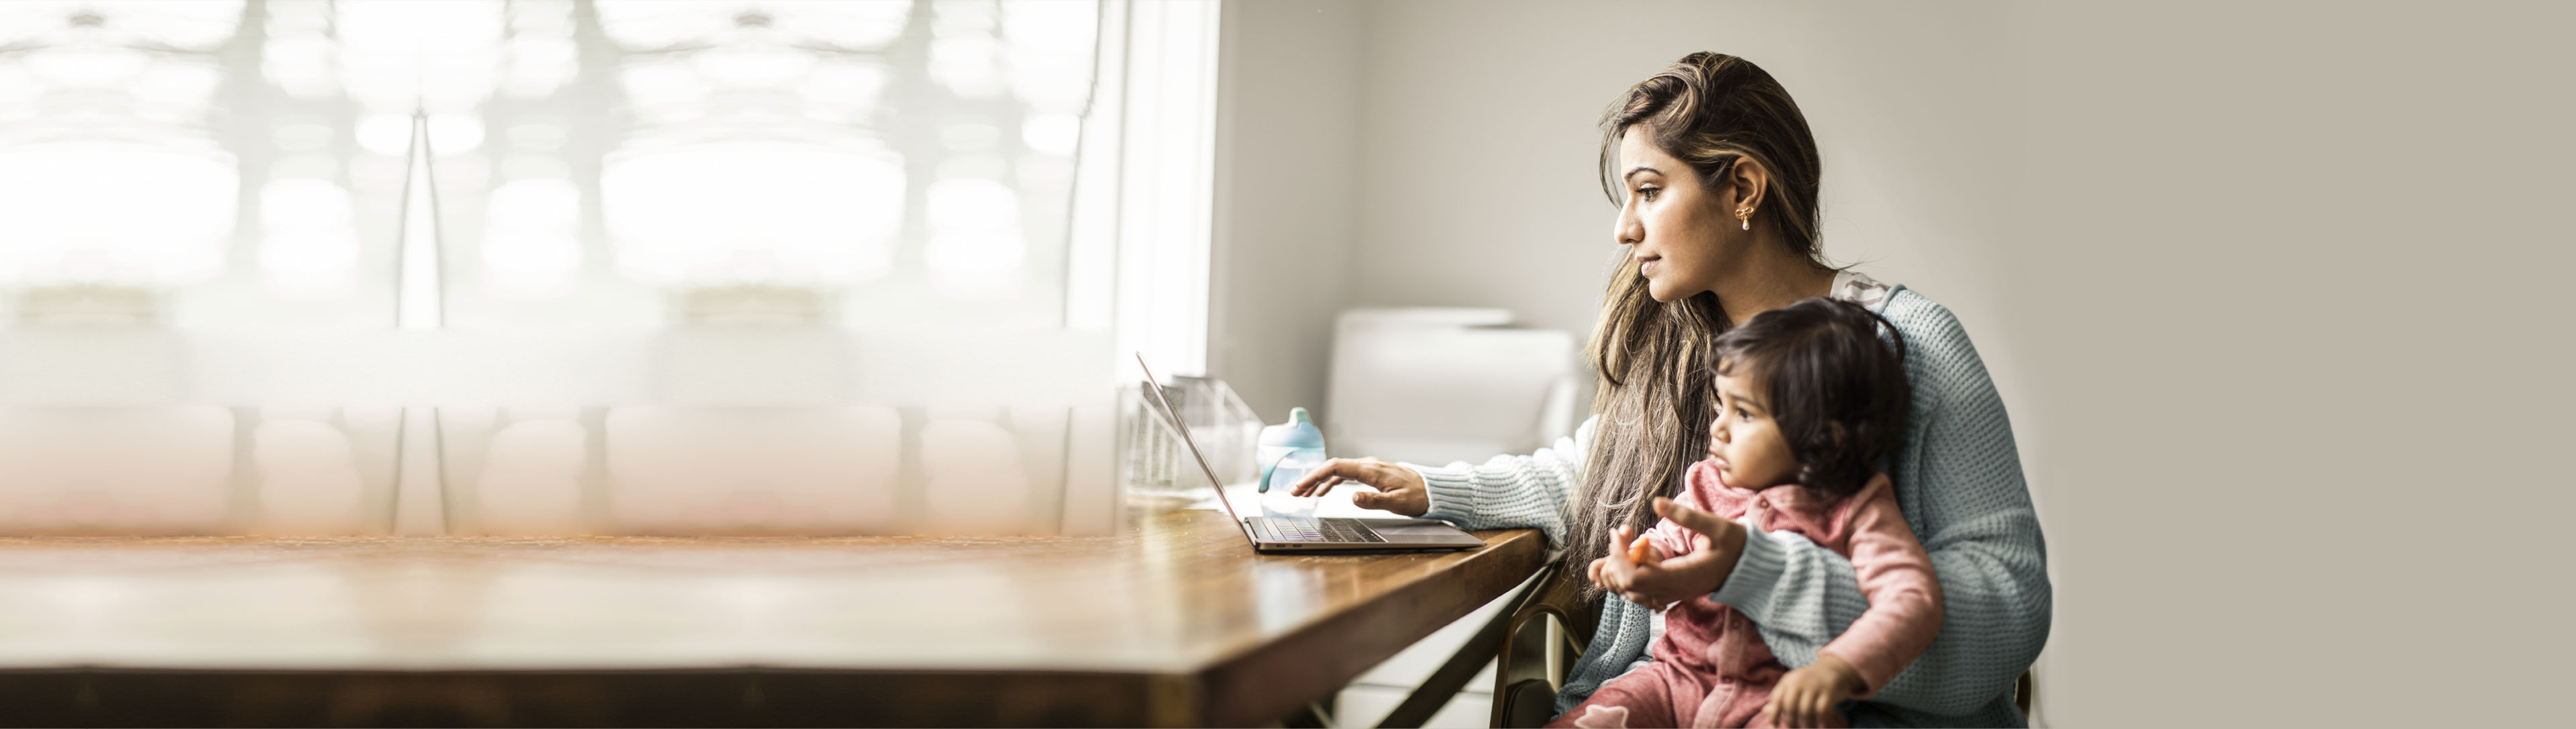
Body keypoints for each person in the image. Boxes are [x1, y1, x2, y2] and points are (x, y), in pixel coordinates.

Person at [1289, 52, 2048, 726]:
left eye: (1649, 190)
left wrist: (1757, 578)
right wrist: (1425, 486)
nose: (1624, 229)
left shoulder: (1910, 344)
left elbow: (2008, 607)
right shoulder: (1685, 351)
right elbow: (1591, 478)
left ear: (1743, 187)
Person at [1554, 297, 1939, 729]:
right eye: (1722, 406)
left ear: (1823, 439)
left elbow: (1911, 599)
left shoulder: (1858, 507)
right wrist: (1642, 562)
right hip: (1672, 678)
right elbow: (1666, 539)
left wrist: (1839, 667)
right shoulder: (1708, 481)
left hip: (1780, 701)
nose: (1718, 428)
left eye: (1744, 413)